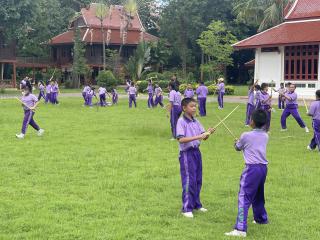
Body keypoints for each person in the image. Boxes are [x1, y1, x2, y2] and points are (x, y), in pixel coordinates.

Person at [225, 109, 269, 238]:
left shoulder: (246, 135)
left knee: (244, 197)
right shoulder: (266, 135)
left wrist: (236, 143)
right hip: (263, 168)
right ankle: (261, 219)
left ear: (253, 122)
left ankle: (240, 229)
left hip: (251, 169)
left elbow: (238, 147)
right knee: (258, 195)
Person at [176, 98, 215, 218]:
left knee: (198, 179)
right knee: (189, 180)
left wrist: (208, 133)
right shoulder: (181, 121)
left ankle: (196, 204)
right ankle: (187, 208)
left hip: (196, 153)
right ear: (184, 108)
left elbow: (203, 137)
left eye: (195, 106)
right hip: (187, 154)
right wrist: (198, 136)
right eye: (191, 106)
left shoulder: (196, 121)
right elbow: (181, 139)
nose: (194, 108)